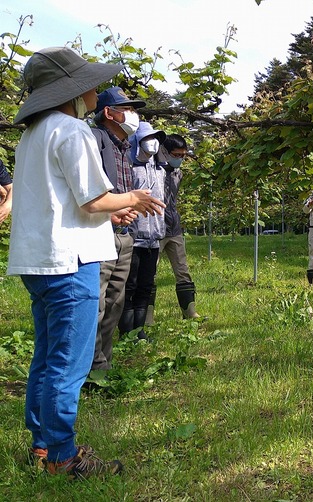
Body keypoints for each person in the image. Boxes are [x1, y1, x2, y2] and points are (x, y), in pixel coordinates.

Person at [8, 47, 164, 478]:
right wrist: (131, 197)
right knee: (68, 364)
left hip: (38, 260)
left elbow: (59, 200)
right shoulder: (72, 131)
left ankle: (41, 446)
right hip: (70, 262)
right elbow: (93, 196)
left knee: (46, 356)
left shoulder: (32, 135)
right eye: (88, 84)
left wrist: (110, 212)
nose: (94, 91)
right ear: (71, 91)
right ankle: (63, 456)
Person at [90, 86, 149, 372]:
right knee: (97, 302)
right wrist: (110, 213)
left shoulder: (124, 148)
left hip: (124, 235)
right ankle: (92, 365)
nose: (132, 114)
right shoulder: (96, 140)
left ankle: (104, 360)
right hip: (101, 233)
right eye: (126, 108)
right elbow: (89, 191)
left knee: (115, 300)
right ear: (108, 113)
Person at [118, 122, 166, 340]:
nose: (153, 142)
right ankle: (126, 332)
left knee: (146, 285)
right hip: (133, 236)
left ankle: (140, 331)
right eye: (148, 137)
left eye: (156, 137)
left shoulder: (160, 169)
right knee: (130, 285)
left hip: (154, 238)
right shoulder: (129, 166)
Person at [146, 134, 201, 322]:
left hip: (174, 228)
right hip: (155, 229)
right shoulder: (153, 170)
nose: (180, 159)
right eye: (177, 154)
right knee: (150, 273)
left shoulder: (178, 173)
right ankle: (147, 316)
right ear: (165, 152)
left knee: (182, 269)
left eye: (184, 155)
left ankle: (190, 312)